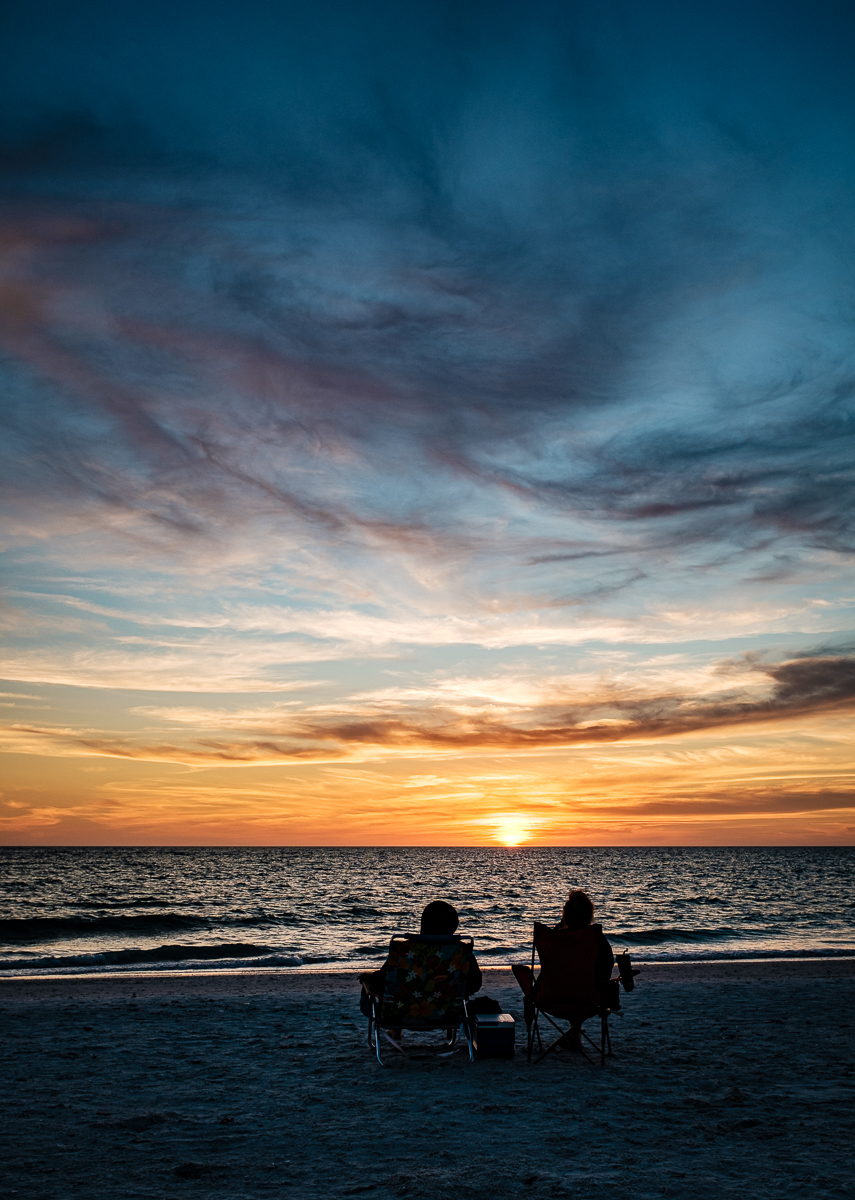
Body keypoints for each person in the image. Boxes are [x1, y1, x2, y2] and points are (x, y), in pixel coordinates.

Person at [358, 900, 482, 1031]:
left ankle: (394, 1030)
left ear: (423, 924)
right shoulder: (460, 952)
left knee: (375, 988)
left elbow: (384, 981)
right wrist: (456, 992)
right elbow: (475, 984)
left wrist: (370, 978)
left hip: (397, 1017)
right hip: (447, 1016)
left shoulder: (405, 950)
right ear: (453, 927)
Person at [555, 888, 615, 1049]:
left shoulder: (555, 938)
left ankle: (575, 1038)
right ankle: (575, 1037)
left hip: (554, 997)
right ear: (589, 915)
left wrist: (563, 924)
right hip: (590, 998)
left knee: (572, 983)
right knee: (584, 984)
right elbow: (607, 967)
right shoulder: (596, 940)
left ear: (565, 914)